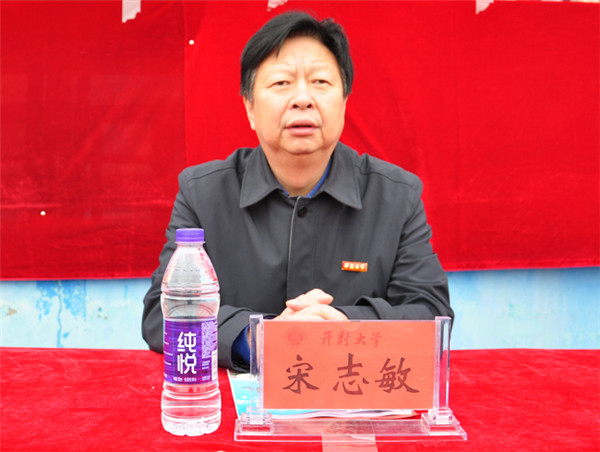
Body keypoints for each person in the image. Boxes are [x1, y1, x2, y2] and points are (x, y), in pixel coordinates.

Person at [142, 11, 453, 372]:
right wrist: (256, 338)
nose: (302, 99)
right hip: (238, 402)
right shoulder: (203, 194)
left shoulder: (396, 197)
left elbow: (432, 315)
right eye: (281, 83)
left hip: (353, 393)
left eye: (320, 81)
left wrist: (342, 327)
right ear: (249, 107)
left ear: (344, 102)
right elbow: (162, 316)